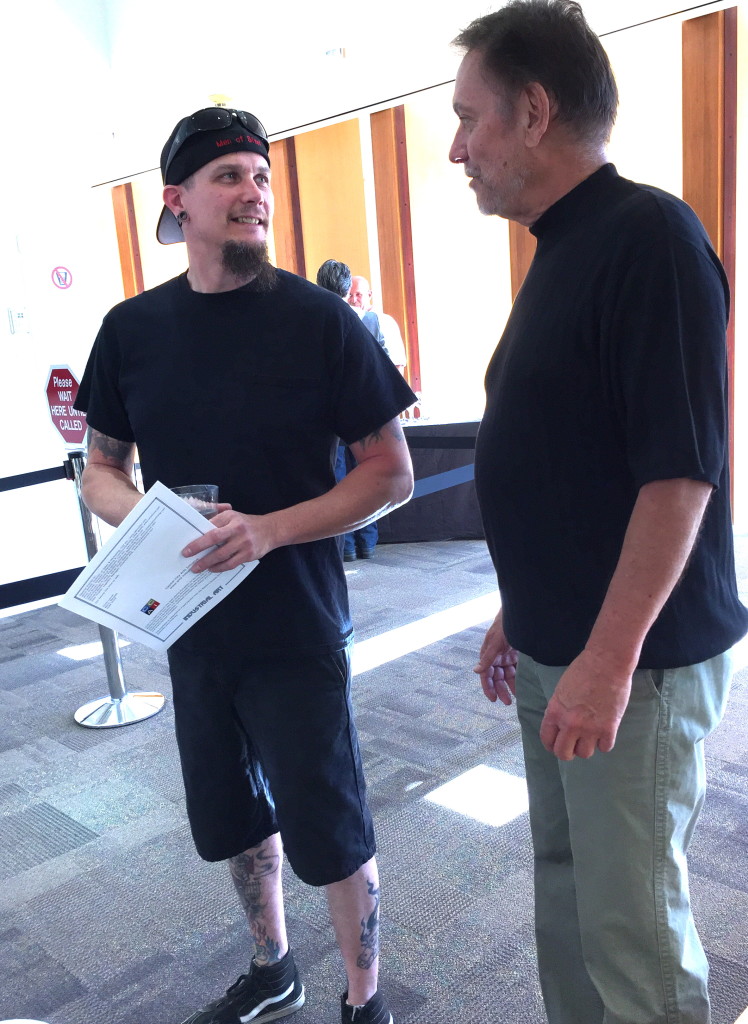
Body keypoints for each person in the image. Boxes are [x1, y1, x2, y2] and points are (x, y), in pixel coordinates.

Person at [76, 106, 416, 1024]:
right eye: (229, 175)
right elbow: (100, 470)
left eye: (262, 177)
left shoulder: (320, 322)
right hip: (189, 624)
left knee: (331, 825)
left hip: (296, 626)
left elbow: (390, 473)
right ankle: (274, 968)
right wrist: (153, 520)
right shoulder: (131, 331)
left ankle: (365, 1000)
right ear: (177, 201)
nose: (254, 192)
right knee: (232, 815)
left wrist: (267, 531)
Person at [449, 3, 748, 1023]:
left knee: (631, 930)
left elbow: (679, 478)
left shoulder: (648, 237)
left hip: (634, 662)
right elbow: (574, 458)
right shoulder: (562, 246)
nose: (457, 149)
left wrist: (608, 660)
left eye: (470, 118)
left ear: (534, 112)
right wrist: (520, 605)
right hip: (558, 640)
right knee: (569, 893)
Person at [316, 260, 385, 562]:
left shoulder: (310, 318)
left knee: (337, 480)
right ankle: (367, 542)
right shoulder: (368, 320)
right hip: (366, 411)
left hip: (327, 416)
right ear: (348, 291)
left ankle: (344, 546)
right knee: (370, 477)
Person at [348, 276, 407, 374]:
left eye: (358, 294)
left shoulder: (385, 321)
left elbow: (397, 363)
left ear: (369, 294)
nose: (353, 300)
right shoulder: (348, 323)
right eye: (350, 295)